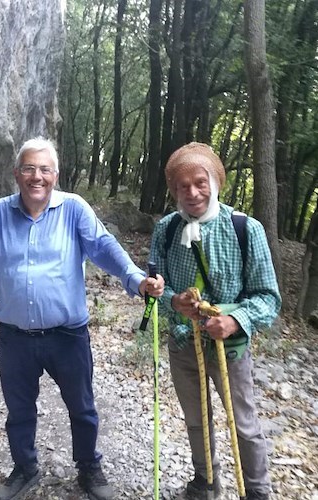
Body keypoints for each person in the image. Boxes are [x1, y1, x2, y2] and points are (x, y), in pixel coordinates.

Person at [0, 136, 164, 500]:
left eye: (44, 169)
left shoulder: (74, 209)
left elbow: (104, 248)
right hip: (16, 337)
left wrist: (136, 280)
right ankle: (25, 468)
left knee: (82, 407)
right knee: (19, 411)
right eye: (29, 169)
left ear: (56, 174)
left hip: (68, 335)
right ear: (16, 174)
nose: (37, 176)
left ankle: (88, 467)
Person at [149, 142, 281, 500]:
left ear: (214, 183)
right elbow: (154, 290)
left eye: (199, 183)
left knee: (244, 424)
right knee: (196, 419)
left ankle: (257, 491)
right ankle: (205, 481)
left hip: (230, 349)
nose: (192, 192)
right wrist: (173, 301)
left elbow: (268, 297)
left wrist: (235, 319)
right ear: (174, 190)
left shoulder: (245, 229)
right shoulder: (166, 229)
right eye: (182, 186)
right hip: (183, 343)